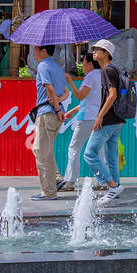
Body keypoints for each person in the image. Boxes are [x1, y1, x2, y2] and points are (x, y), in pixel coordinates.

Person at [82, 38, 125, 204]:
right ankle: (116, 187)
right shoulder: (114, 69)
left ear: (106, 53)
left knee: (89, 154)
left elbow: (112, 95)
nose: (93, 52)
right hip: (118, 119)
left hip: (108, 120)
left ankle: (112, 186)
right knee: (111, 156)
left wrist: (99, 116)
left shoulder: (107, 70)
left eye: (97, 49)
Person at [57, 49, 102, 192]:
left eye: (83, 62)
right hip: (97, 117)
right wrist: (73, 110)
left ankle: (70, 181)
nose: (82, 65)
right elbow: (91, 99)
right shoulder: (102, 75)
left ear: (90, 63)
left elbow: (81, 96)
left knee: (74, 148)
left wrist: (70, 81)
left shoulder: (90, 77)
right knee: (98, 150)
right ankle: (103, 181)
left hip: (86, 118)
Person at [29, 43, 68, 200]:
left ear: (43, 51)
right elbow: (66, 92)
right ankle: (57, 179)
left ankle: (48, 192)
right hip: (54, 113)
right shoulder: (58, 67)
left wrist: (57, 108)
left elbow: (49, 89)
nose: (34, 52)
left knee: (42, 152)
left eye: (36, 49)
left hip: (47, 113)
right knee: (41, 149)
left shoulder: (43, 66)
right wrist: (59, 105)